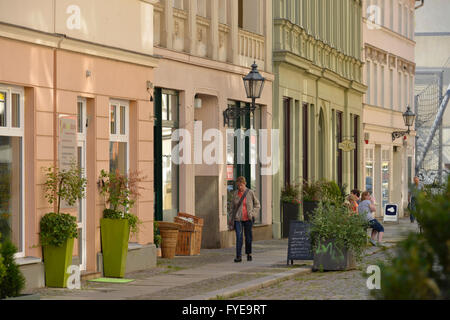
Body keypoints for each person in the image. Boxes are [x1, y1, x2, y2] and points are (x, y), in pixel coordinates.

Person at [228, 176, 260, 263]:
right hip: (238, 219)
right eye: (238, 186)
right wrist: (230, 219)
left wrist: (253, 214)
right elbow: (231, 208)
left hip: (248, 219)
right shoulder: (235, 194)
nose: (240, 187)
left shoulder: (250, 193)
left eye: (241, 185)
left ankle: (249, 253)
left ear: (244, 184)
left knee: (248, 237)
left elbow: (257, 204)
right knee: (239, 237)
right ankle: (238, 256)